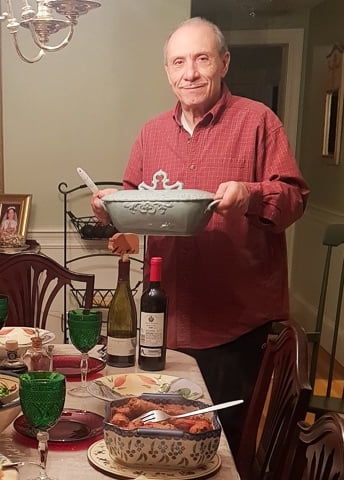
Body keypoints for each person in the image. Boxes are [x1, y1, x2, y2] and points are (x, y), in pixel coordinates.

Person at [90, 17, 309, 456]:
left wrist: (250, 195)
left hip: (235, 326)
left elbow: (294, 198)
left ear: (224, 63)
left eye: (201, 59)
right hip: (164, 318)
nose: (189, 72)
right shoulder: (152, 133)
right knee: (162, 433)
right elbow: (136, 197)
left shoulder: (258, 122)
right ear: (168, 72)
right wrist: (112, 206)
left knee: (221, 445)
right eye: (178, 62)